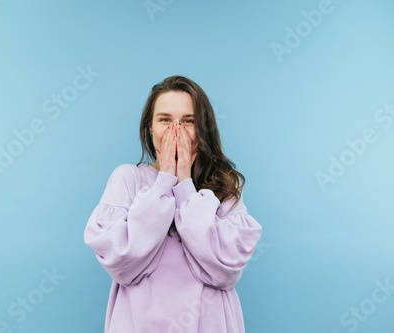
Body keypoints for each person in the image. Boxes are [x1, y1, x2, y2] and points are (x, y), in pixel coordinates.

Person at [84, 75, 262, 332]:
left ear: (202, 128)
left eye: (188, 121)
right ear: (150, 127)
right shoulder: (127, 178)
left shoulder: (224, 185)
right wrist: (164, 181)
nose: (175, 130)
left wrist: (184, 184)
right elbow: (122, 263)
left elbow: (226, 269)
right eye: (165, 120)